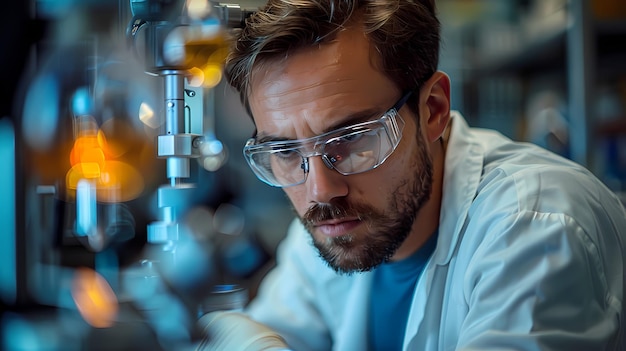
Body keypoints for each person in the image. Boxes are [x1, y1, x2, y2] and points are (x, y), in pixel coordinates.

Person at [198, 0, 626, 350]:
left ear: (433, 110)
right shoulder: (334, 226)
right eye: (286, 151)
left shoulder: (536, 225)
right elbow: (246, 332)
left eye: (352, 137)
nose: (319, 190)